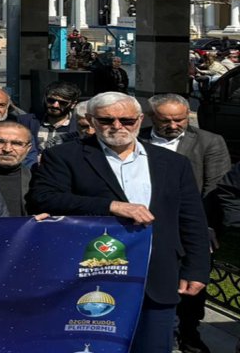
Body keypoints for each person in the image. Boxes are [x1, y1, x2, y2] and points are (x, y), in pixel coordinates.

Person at [27, 92, 210, 353]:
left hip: (156, 277)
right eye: (106, 120)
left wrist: (197, 269)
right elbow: (44, 198)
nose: (117, 126)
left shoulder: (173, 163)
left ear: (140, 119)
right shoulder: (65, 156)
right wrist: (111, 206)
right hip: (91, 279)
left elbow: (191, 219)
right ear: (91, 120)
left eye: (126, 120)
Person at [140, 93, 231, 353]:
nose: (174, 125)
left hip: (190, 225)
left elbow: (214, 188)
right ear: (151, 117)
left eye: (180, 119)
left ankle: (189, 334)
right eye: (166, 120)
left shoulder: (208, 141)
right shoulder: (138, 139)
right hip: (147, 226)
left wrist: (206, 228)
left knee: (192, 285)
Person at [37, 81, 82, 149]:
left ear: (73, 104)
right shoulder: (28, 122)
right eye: (51, 100)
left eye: (62, 103)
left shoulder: (79, 125)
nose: (55, 105)